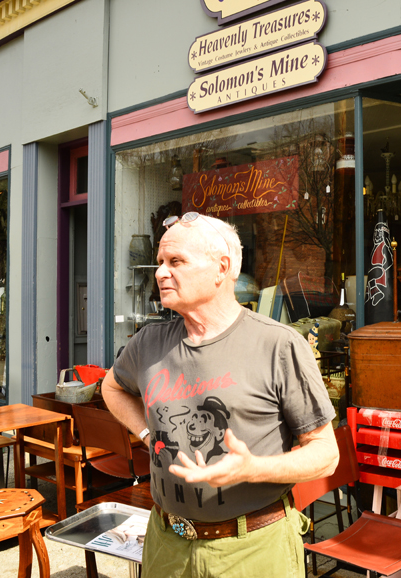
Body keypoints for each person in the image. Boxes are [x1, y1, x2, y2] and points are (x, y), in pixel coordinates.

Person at [101, 212, 339, 578]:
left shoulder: (278, 345)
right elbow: (112, 386)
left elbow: (325, 454)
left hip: (252, 550)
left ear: (221, 267)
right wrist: (148, 435)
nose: (161, 272)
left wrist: (253, 468)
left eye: (176, 261)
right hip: (167, 545)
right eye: (161, 262)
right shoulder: (149, 343)